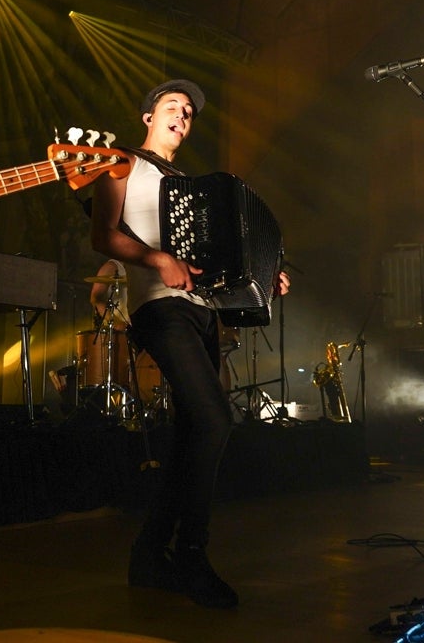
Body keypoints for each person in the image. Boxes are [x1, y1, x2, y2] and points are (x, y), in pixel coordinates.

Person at [90, 79, 289, 608]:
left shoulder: (188, 184)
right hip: (159, 307)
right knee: (214, 419)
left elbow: (218, 256)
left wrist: (264, 275)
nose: (183, 116)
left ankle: (149, 555)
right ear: (147, 116)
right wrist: (157, 259)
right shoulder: (120, 162)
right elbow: (102, 236)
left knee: (191, 437)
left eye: (189, 112)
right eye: (172, 107)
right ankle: (191, 555)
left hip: (202, 314)